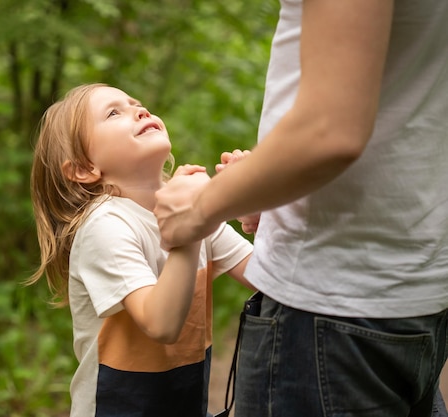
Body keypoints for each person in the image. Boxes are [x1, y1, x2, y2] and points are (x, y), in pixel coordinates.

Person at [154, 1, 448, 416]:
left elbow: (329, 131)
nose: (140, 111)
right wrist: (268, 197)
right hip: (416, 289)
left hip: (329, 307)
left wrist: (198, 209)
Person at [28, 83, 254, 417]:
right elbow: (161, 324)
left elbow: (271, 278)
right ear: (83, 168)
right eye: (113, 113)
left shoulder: (191, 207)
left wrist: (263, 216)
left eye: (136, 103)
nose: (139, 110)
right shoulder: (105, 225)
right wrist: (190, 228)